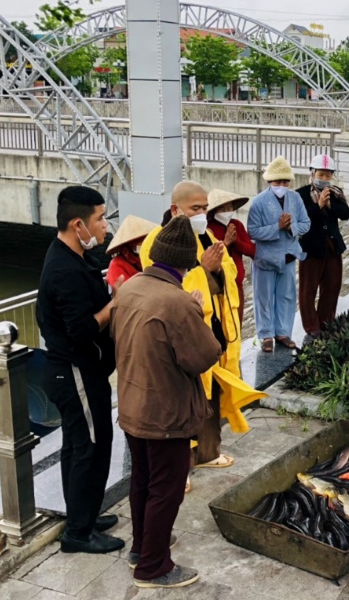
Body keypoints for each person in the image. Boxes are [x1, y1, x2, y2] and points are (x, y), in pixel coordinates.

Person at [113, 215, 223, 589]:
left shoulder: (128, 289)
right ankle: (153, 567)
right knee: (167, 488)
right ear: (185, 262)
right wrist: (196, 312)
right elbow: (205, 356)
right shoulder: (177, 302)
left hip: (130, 405)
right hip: (165, 413)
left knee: (142, 480)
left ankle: (141, 548)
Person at [140, 182, 265, 473]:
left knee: (210, 397)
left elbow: (231, 275)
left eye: (205, 208)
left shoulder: (206, 235)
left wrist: (218, 268)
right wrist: (205, 270)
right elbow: (163, 285)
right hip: (183, 337)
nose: (202, 214)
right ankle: (179, 469)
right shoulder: (156, 242)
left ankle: (208, 454)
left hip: (214, 332)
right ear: (175, 209)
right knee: (184, 402)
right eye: (195, 208)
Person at [36, 186, 124, 554]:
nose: (106, 226)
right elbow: (84, 328)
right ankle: (78, 533)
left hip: (83, 369)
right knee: (91, 445)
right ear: (78, 224)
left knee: (78, 445)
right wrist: (116, 304)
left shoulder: (73, 257)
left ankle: (82, 514)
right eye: (101, 218)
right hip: (74, 371)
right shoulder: (63, 269)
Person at [247, 156, 312, 352]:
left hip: (289, 256)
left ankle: (283, 332)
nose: (281, 185)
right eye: (278, 181)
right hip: (265, 258)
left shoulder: (296, 198)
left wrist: (290, 227)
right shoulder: (258, 202)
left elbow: (306, 223)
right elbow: (253, 231)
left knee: (286, 296)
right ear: (270, 182)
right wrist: (277, 227)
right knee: (264, 297)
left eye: (285, 181)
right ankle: (265, 334)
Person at [295, 154, 349, 342]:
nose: (324, 179)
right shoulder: (301, 194)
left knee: (332, 285)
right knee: (308, 288)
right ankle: (311, 326)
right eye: (321, 174)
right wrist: (318, 206)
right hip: (312, 247)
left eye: (328, 176)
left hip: (332, 245)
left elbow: (346, 214)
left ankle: (327, 321)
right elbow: (301, 221)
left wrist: (330, 204)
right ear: (312, 173)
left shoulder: (336, 192)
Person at [206, 189, 255, 323]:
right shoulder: (208, 228)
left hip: (237, 284)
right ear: (214, 211)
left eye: (229, 208)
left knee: (236, 323)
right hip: (219, 286)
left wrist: (236, 242)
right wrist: (226, 243)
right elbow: (210, 257)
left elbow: (252, 250)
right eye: (222, 209)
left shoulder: (237, 225)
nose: (227, 211)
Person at [105, 215, 159, 289]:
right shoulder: (117, 265)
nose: (145, 249)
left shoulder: (159, 259)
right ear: (126, 248)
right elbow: (125, 294)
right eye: (139, 247)